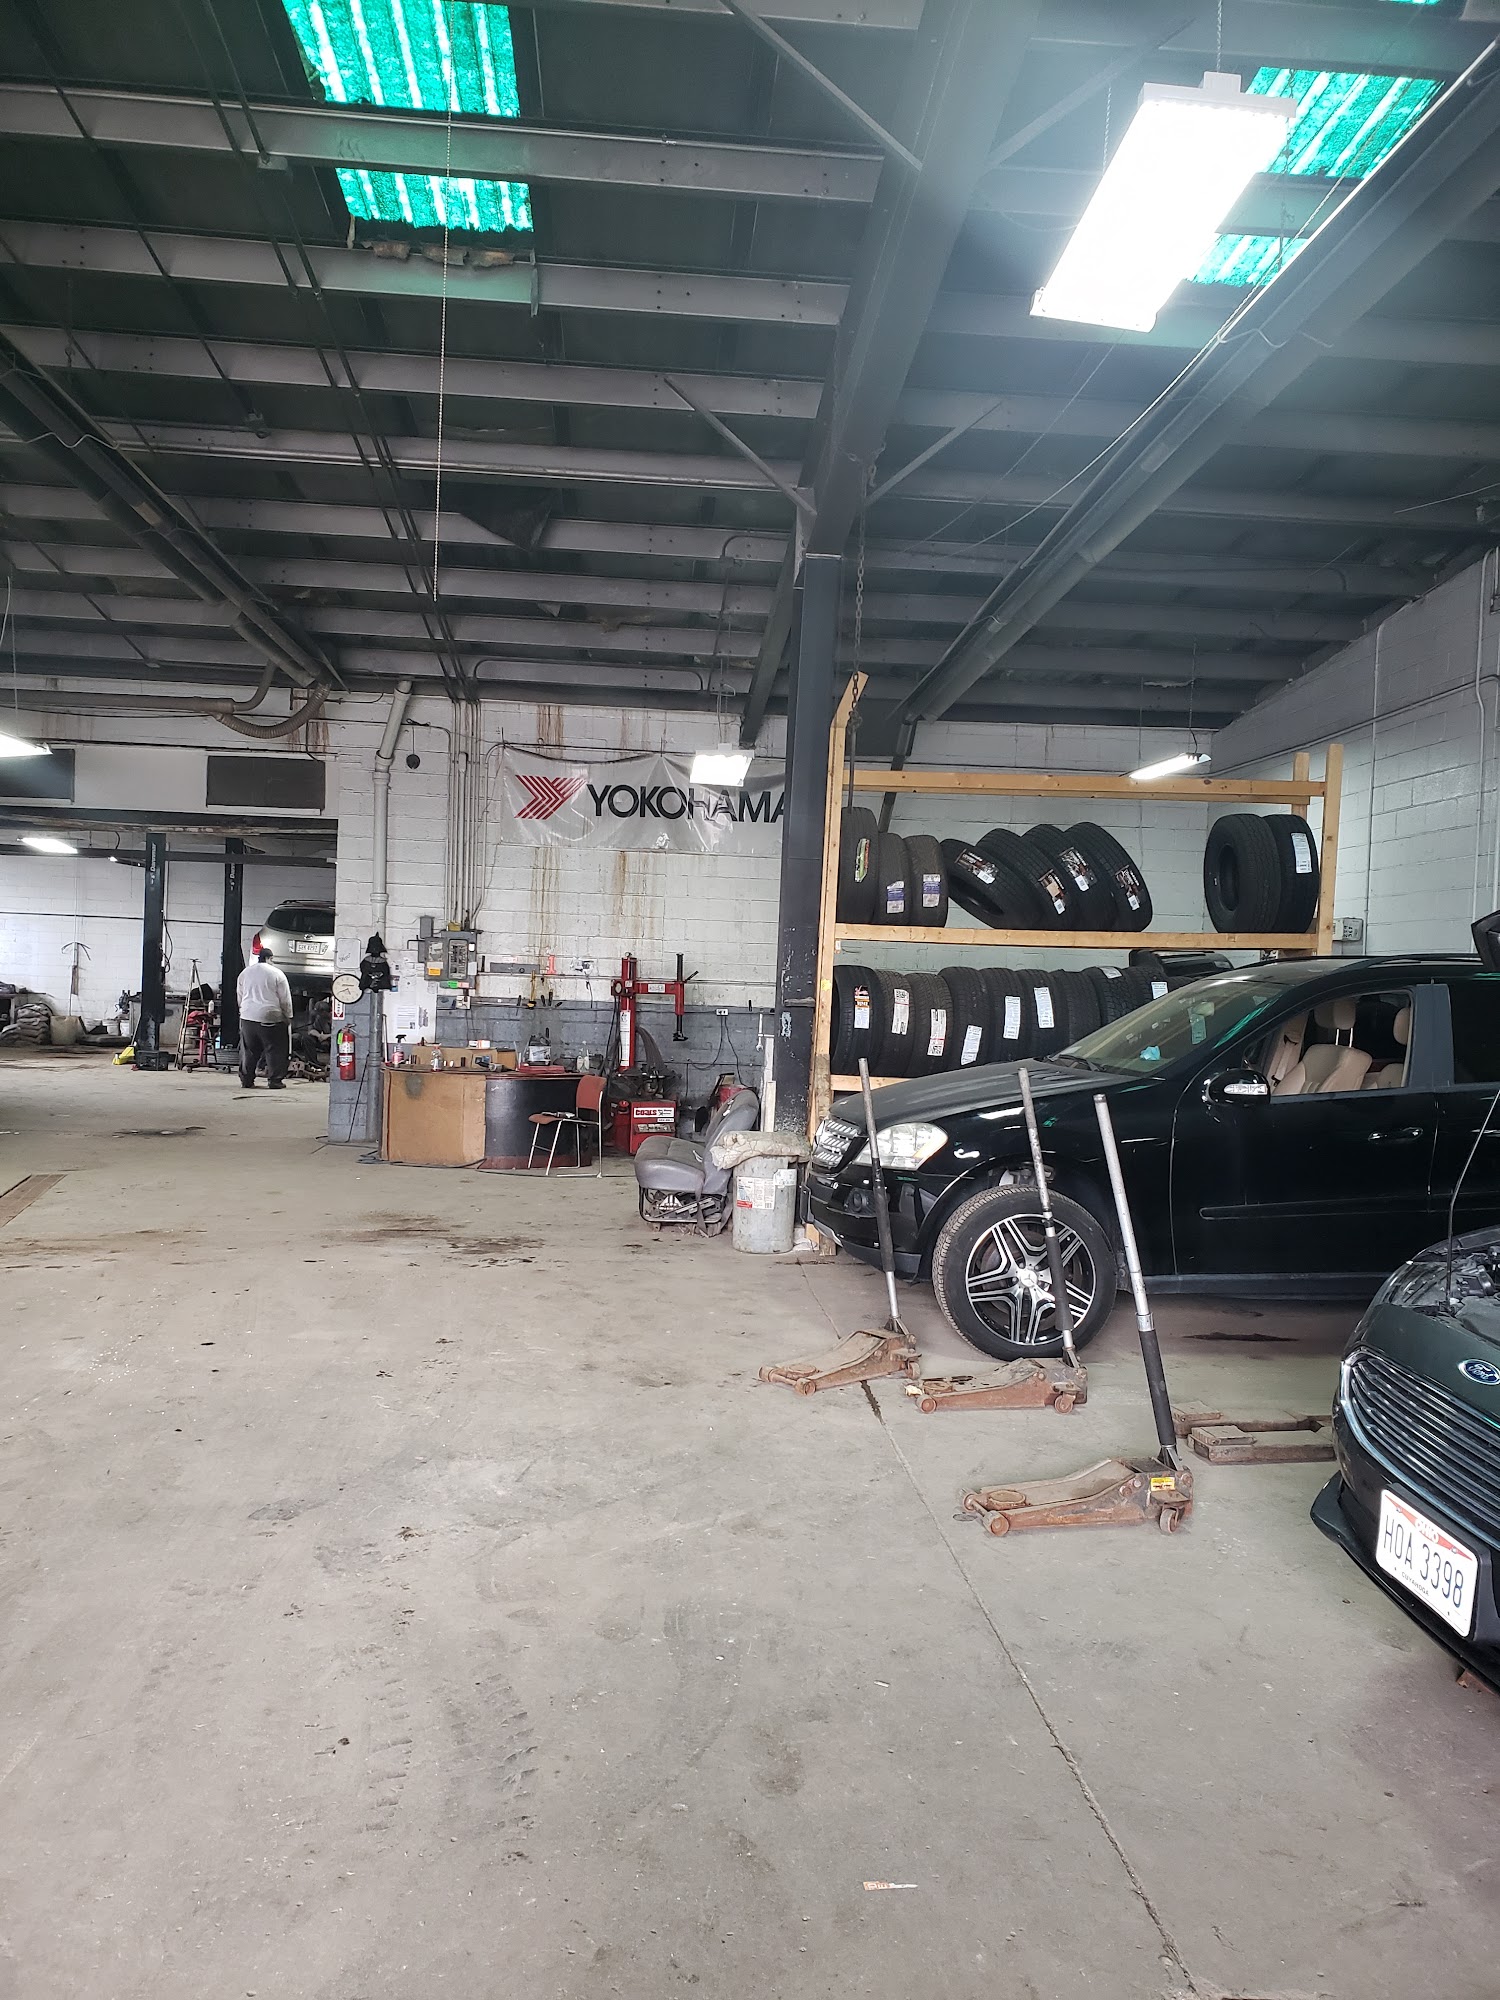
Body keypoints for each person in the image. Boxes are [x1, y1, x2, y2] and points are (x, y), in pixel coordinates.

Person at [236, 946, 294, 1090]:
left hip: (248, 1016)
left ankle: (246, 1080)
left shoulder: (245, 973)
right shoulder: (277, 973)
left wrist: (243, 1011)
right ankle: (275, 1081)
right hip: (270, 1016)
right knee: (275, 1049)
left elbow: (240, 995)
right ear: (269, 958)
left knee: (248, 1051)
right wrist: (288, 1016)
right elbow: (285, 999)